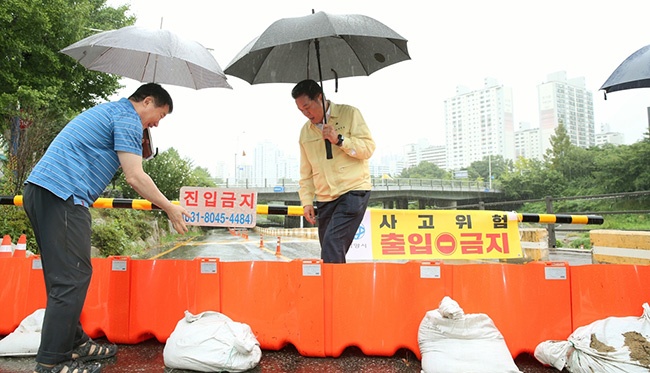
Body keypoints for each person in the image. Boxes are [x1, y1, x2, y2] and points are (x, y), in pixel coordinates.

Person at [23, 83, 191, 373]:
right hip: (63, 194)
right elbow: (135, 177)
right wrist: (170, 206)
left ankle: (75, 343)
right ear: (147, 101)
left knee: (65, 276)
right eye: (160, 115)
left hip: (44, 191)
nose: (157, 124)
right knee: (71, 278)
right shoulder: (127, 119)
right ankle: (52, 360)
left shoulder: (112, 112)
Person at [291, 79, 376, 263]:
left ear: (319, 97)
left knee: (332, 244)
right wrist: (306, 201)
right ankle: (339, 288)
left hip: (353, 190)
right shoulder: (305, 132)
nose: (306, 114)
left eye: (308, 107)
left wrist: (340, 140)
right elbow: (306, 173)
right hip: (325, 198)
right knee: (331, 250)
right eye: (301, 111)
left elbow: (368, 149)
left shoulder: (350, 114)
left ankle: (332, 290)